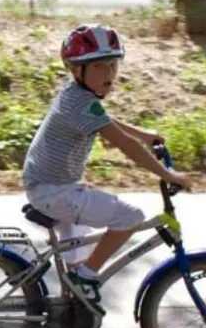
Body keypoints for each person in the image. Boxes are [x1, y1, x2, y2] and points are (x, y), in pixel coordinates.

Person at [22, 23, 190, 302]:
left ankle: (73, 299)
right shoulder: (81, 103)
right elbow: (123, 144)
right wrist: (167, 174)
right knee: (130, 217)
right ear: (76, 70)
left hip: (52, 186)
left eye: (113, 65)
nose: (109, 74)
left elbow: (106, 121)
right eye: (99, 67)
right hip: (54, 191)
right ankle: (85, 276)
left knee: (78, 254)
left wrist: (145, 135)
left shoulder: (78, 96)